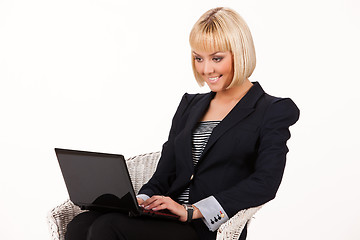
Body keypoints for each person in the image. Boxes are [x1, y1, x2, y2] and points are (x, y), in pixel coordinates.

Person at [65, 7, 299, 240]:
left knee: (108, 227)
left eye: (217, 58)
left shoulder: (272, 110)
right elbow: (165, 173)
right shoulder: (190, 105)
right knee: (81, 223)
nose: (206, 69)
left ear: (240, 53)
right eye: (199, 58)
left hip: (204, 228)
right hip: (165, 217)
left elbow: (265, 182)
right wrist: (142, 200)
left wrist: (193, 210)